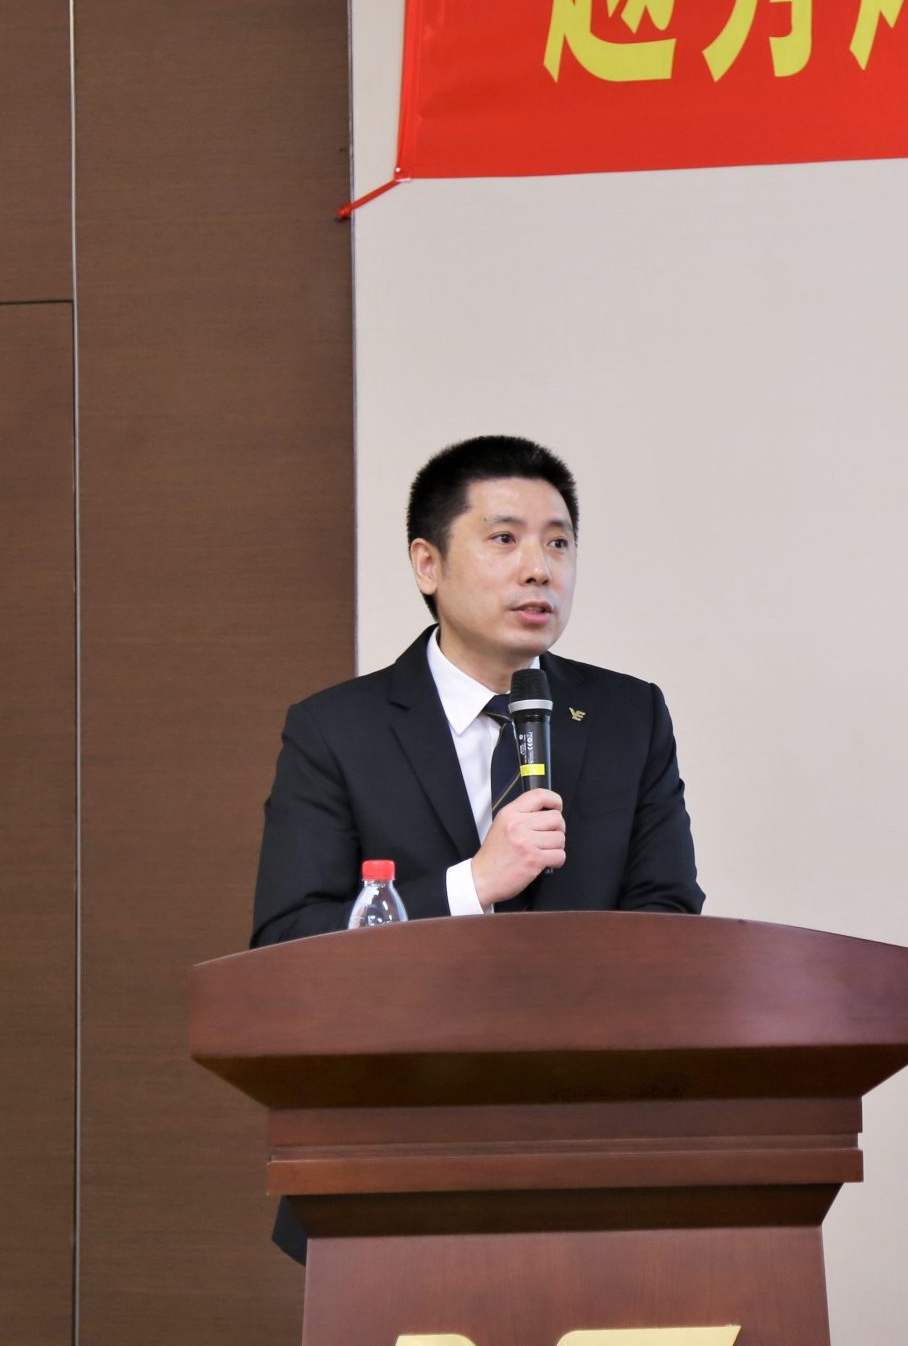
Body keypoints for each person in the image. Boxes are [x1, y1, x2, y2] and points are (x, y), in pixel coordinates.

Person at [248, 435, 704, 1260]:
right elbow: (287, 945)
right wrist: (471, 884)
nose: (539, 569)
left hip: (595, 1154)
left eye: (559, 543)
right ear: (427, 563)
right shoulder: (336, 730)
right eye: (504, 538)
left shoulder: (629, 717)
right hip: (389, 1154)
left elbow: (667, 920)